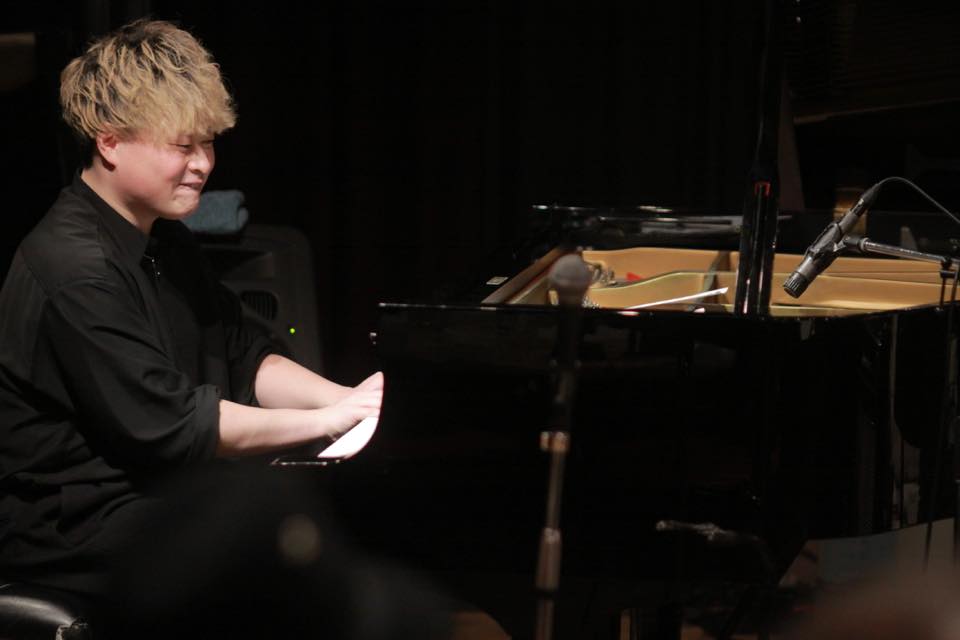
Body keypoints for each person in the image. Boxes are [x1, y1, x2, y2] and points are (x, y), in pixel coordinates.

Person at [0, 18, 383, 605]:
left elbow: (242, 352)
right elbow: (175, 427)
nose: (203, 163)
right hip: (79, 528)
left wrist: (349, 400)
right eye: (183, 146)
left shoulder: (164, 236)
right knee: (281, 549)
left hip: (154, 491)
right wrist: (325, 424)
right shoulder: (75, 268)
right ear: (109, 142)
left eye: (208, 143)